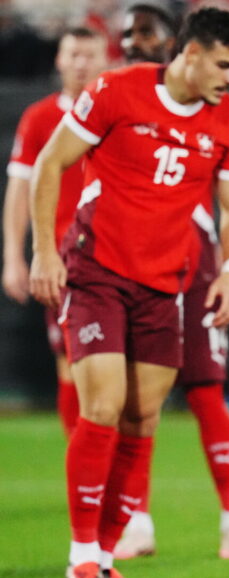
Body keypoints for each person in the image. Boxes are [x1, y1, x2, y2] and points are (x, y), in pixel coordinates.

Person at [29, 7, 229, 578]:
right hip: (96, 269)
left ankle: (104, 558)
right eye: (226, 66)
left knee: (142, 419)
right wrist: (43, 254)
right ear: (193, 53)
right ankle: (80, 556)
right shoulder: (117, 90)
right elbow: (51, 162)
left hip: (165, 285)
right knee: (102, 404)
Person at [111, 2, 229, 561]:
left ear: (177, 44)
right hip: (121, 269)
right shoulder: (116, 95)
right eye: (128, 34)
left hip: (193, 266)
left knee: (204, 388)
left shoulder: (220, 111)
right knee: (131, 401)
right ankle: (134, 519)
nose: (134, 42)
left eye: (145, 33)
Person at [3, 26, 108, 438]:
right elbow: (18, 189)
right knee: (72, 361)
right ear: (59, 60)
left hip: (118, 256)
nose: (81, 63)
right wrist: (13, 256)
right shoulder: (39, 118)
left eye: (89, 54)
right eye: (74, 54)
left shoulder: (117, 112)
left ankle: (111, 474)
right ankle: (80, 465)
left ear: (105, 60)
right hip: (66, 262)